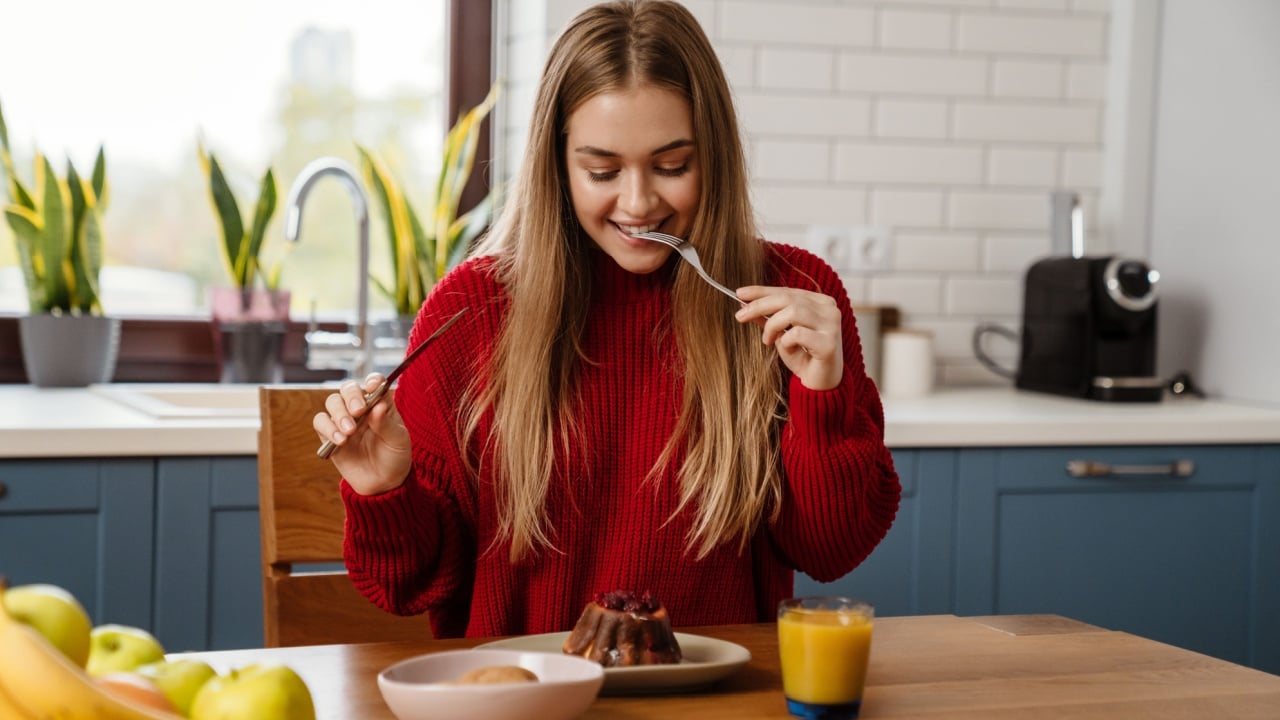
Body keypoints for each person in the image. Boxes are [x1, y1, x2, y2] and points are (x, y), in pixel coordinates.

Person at [314, 0, 900, 639]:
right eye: (602, 170)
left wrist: (823, 395)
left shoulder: (791, 296)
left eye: (673, 165)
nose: (639, 201)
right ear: (557, 166)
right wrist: (386, 492)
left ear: (717, 156)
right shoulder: (470, 310)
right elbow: (408, 587)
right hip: (527, 700)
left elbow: (832, 551)